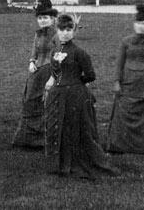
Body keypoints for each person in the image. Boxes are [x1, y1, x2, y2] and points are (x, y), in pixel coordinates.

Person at [45, 13, 116, 180]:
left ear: (74, 32)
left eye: (69, 29)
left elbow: (91, 75)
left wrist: (77, 82)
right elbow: (55, 73)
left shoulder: (79, 53)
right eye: (62, 29)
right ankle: (60, 163)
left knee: (75, 129)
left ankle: (78, 161)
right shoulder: (55, 51)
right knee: (58, 127)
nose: (65, 33)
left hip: (75, 96)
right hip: (57, 95)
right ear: (57, 30)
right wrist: (54, 85)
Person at [105, 3, 144, 154]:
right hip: (128, 81)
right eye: (139, 23)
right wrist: (116, 81)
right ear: (134, 25)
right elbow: (119, 63)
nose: (142, 26)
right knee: (124, 108)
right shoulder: (126, 41)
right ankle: (121, 145)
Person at [12, 0, 58, 149]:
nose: (42, 21)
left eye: (45, 18)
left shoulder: (57, 35)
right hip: (36, 73)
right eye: (40, 18)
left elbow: (59, 56)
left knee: (47, 103)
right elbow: (34, 51)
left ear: (52, 19)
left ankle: (46, 139)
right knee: (30, 102)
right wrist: (31, 62)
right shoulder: (38, 34)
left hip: (50, 72)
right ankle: (28, 138)